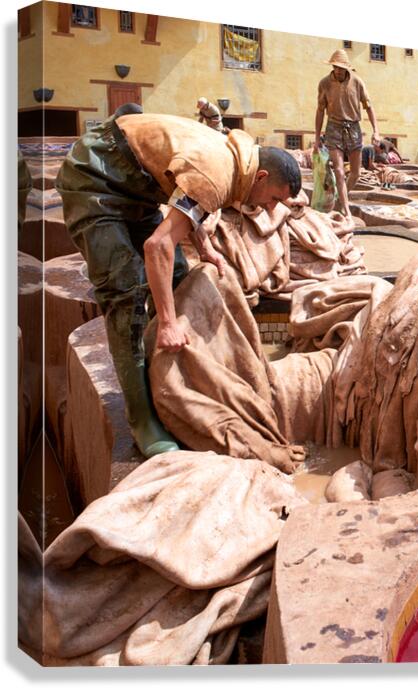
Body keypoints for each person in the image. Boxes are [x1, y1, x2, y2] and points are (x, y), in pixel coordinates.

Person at [56, 109, 301, 458]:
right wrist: (169, 324)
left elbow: (188, 202)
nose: (267, 209)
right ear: (260, 177)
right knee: (125, 289)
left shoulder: (234, 163)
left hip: (136, 190)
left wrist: (206, 247)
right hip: (94, 179)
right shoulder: (219, 173)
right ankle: (141, 416)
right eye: (274, 199)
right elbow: (158, 245)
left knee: (178, 278)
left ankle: (169, 387)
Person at [314, 49, 381, 217]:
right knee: (339, 171)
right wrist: (316, 138)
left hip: (354, 128)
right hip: (334, 127)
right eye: (335, 67)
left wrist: (376, 131)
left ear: (346, 68)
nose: (337, 70)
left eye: (340, 68)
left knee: (356, 173)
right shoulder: (324, 84)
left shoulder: (357, 82)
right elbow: (320, 110)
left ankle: (340, 200)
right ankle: (346, 209)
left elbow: (369, 107)